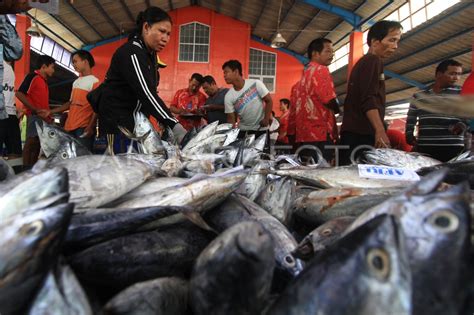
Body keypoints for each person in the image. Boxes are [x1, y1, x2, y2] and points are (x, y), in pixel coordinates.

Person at [97, 6, 187, 152]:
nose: (166, 38)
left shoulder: (150, 57)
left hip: (134, 128)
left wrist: (162, 123)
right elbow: (146, 93)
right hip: (117, 128)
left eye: (169, 34)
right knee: (116, 168)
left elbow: (151, 94)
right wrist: (173, 123)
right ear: (146, 27)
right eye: (162, 31)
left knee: (134, 169)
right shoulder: (132, 52)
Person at [339, 20, 402, 165]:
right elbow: (369, 98)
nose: (395, 46)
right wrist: (380, 131)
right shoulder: (373, 61)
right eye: (391, 40)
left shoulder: (363, 62)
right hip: (361, 134)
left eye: (397, 41)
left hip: (353, 132)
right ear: (375, 42)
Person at [405, 59, 467, 162]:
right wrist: (409, 133)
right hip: (425, 147)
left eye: (459, 74)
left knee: (449, 177)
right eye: (452, 74)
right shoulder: (419, 96)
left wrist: (462, 125)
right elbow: (411, 117)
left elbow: (469, 116)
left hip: (452, 148)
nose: (457, 78)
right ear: (439, 74)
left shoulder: (462, 93)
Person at [290, 38, 339, 163]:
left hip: (304, 136)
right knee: (322, 174)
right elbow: (329, 99)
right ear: (315, 53)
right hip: (320, 134)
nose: (332, 54)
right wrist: (339, 109)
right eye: (328, 51)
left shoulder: (299, 83)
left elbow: (293, 113)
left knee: (308, 172)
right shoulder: (320, 69)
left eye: (333, 52)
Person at [45, 50, 99, 151]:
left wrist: (91, 126)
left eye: (75, 61)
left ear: (85, 62)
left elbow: (97, 108)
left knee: (82, 159)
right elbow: (70, 103)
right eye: (72, 62)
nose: (74, 64)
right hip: (69, 126)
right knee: (70, 158)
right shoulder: (75, 82)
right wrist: (50, 111)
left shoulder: (95, 82)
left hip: (83, 127)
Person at [16, 55, 55, 168]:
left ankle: (31, 170)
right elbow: (19, 93)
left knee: (37, 145)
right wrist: (34, 109)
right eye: (52, 67)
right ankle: (25, 171)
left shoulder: (44, 82)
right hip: (34, 116)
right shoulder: (33, 77)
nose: (53, 70)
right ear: (43, 67)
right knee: (31, 143)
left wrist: (48, 119)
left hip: (42, 118)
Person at [222, 59, 273, 139]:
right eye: (224, 73)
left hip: (261, 130)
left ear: (236, 72)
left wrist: (266, 119)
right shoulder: (228, 96)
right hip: (243, 131)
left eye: (226, 72)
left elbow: (269, 100)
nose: (224, 75)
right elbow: (231, 119)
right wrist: (231, 136)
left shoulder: (256, 83)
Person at [0, 60, 22, 159]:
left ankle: (14, 174)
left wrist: (14, 107)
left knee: (15, 153)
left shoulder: (9, 68)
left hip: (11, 113)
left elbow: (8, 91)